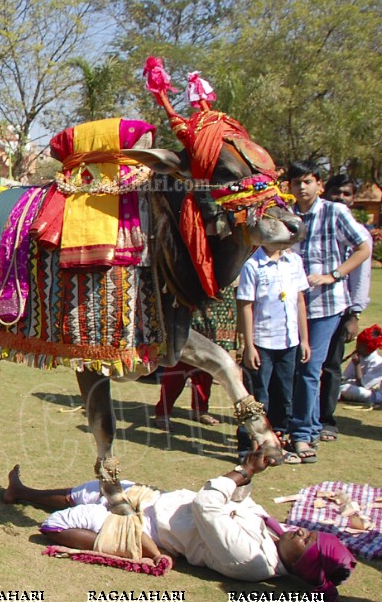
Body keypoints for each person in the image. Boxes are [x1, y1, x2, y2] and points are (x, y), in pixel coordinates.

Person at [3, 452, 356, 602]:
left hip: (148, 530)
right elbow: (241, 502)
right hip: (154, 501)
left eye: (308, 542)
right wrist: (249, 471)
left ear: (303, 564)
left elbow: (208, 506)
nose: (302, 533)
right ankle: (21, 492)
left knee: (55, 525)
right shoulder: (276, 534)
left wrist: (243, 473)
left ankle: (102, 540)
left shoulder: (253, 561)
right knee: (84, 491)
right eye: (310, 533)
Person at [287, 161, 371, 462]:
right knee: (295, 369)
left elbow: (364, 247)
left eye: (307, 181)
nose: (302, 188)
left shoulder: (334, 212)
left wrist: (334, 274)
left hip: (325, 305)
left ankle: (303, 435)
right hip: (292, 306)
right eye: (296, 183)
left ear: (319, 184)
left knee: (311, 369)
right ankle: (301, 427)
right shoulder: (287, 215)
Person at [235, 244, 310, 463]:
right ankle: (247, 446)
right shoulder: (252, 265)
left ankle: (277, 441)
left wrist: (304, 339)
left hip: (288, 342)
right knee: (257, 397)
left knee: (284, 396)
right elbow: (246, 306)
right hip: (262, 342)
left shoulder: (294, 261)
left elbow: (299, 301)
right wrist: (248, 346)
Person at [317, 173, 372, 442]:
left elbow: (360, 279)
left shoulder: (359, 234)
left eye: (346, 194)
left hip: (339, 307)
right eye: (336, 192)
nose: (340, 198)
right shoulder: (317, 222)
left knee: (330, 365)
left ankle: (326, 419)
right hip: (308, 305)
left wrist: (355, 314)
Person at [154, 287, 238, 430]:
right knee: (179, 367)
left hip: (219, 305)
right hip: (195, 302)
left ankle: (200, 410)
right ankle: (163, 412)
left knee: (209, 366)